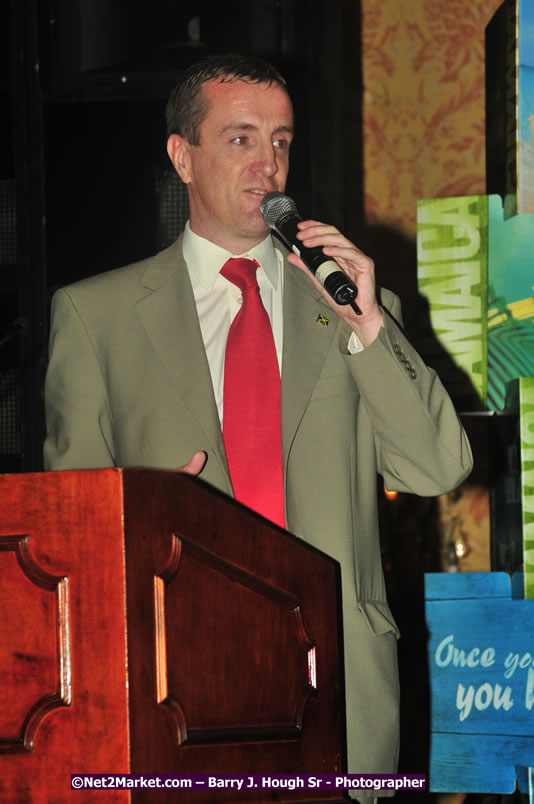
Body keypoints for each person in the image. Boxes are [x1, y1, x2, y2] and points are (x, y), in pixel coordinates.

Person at [43, 52, 473, 798]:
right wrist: (138, 505)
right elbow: (66, 541)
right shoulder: (95, 316)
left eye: (281, 141)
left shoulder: (351, 308)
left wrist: (369, 324)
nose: (267, 164)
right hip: (175, 687)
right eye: (240, 138)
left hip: (334, 682)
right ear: (182, 155)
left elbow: (438, 467)